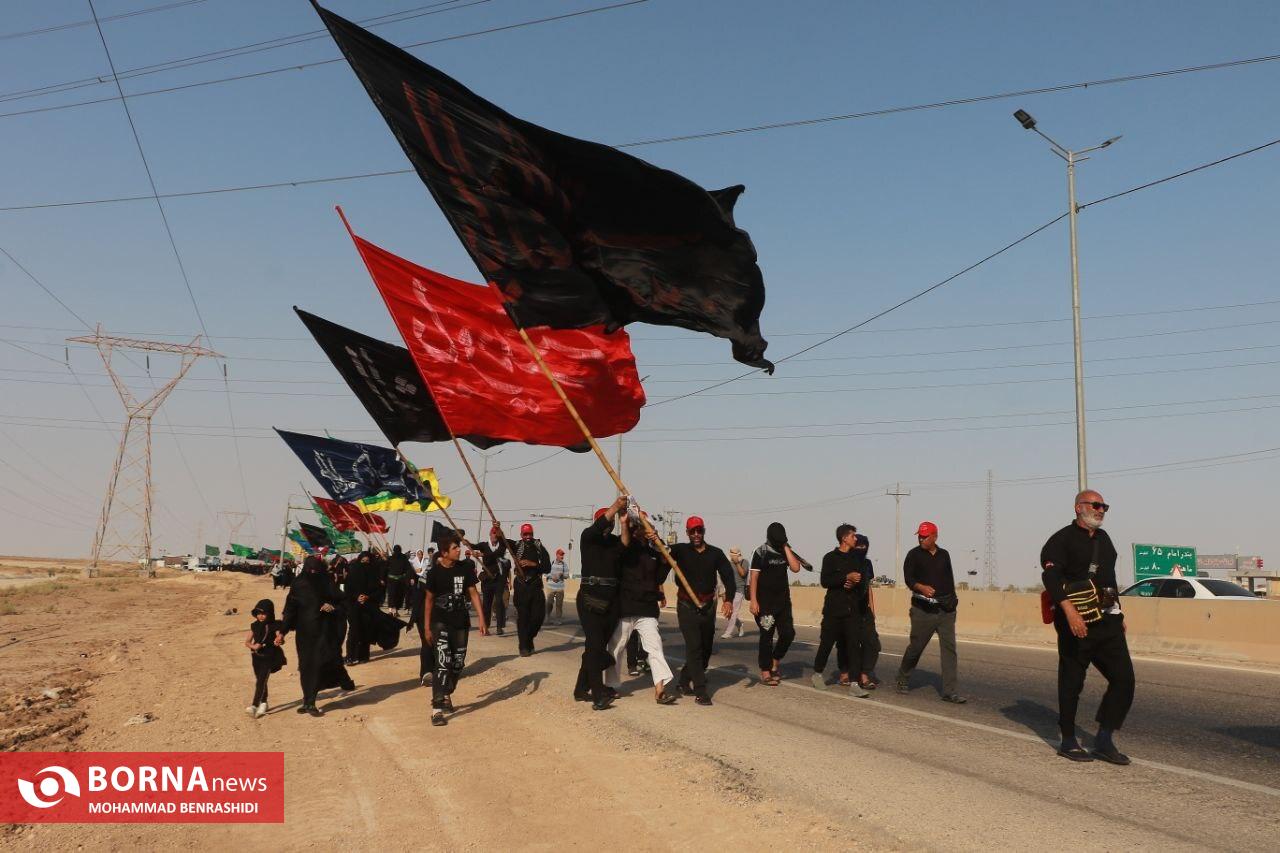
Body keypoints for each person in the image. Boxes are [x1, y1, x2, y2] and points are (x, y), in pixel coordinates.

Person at [1041, 490, 1134, 764]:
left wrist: (1117, 612)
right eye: (1095, 505)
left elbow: (1108, 579)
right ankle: (1068, 740)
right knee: (1072, 681)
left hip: (1106, 621)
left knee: (1124, 679)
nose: (1100, 510)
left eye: (1104, 506)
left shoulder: (1104, 540)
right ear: (1078, 507)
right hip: (1075, 622)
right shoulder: (1061, 540)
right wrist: (1070, 612)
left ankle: (1104, 738)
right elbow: (1051, 578)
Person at [604, 513, 679, 705]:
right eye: (638, 526)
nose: (641, 530)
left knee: (655, 647)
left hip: (647, 608)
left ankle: (660, 689)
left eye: (644, 527)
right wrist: (628, 524)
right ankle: (610, 685)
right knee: (616, 647)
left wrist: (660, 546)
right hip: (626, 606)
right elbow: (621, 548)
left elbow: (660, 576)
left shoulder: (654, 550)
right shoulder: (626, 546)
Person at [668, 515, 737, 706]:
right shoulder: (680, 550)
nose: (696, 534)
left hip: (707, 606)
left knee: (705, 650)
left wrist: (729, 600)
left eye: (699, 530)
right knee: (694, 647)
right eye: (693, 531)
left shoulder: (715, 553)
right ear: (687, 533)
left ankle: (683, 681)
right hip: (686, 606)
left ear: (704, 531)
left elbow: (728, 577)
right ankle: (700, 691)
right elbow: (662, 553)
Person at [422, 535, 488, 726]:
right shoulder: (434, 573)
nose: (459, 550)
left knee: (457, 663)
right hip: (439, 622)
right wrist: (426, 627)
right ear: (444, 553)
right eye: (454, 548)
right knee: (443, 662)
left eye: (458, 547)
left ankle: (446, 693)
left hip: (460, 622)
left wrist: (482, 619)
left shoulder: (464, 568)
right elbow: (428, 600)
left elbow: (473, 593)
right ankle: (437, 710)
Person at [895, 521, 965, 703]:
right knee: (916, 647)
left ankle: (950, 691)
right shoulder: (914, 555)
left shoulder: (944, 555)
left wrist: (953, 601)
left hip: (946, 611)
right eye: (919, 536)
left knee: (949, 650)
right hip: (923, 610)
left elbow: (949, 579)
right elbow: (909, 579)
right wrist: (921, 587)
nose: (921, 539)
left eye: (925, 536)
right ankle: (903, 677)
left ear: (935, 536)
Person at [278, 556, 355, 716]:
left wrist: (332, 607)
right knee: (306, 666)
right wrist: (282, 631)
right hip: (305, 634)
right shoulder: (298, 584)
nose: (313, 573)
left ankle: (311, 701)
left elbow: (344, 602)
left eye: (316, 570)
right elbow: (290, 609)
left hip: (325, 632)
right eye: (310, 570)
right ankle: (308, 700)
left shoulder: (327, 583)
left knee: (320, 664)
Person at [574, 496, 628, 710]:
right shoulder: (588, 538)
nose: (609, 525)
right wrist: (616, 506)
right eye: (606, 521)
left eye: (611, 523)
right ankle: (598, 695)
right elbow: (599, 525)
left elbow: (625, 545)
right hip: (589, 598)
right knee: (596, 647)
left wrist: (623, 522)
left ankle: (580, 689)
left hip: (611, 601)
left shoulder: (614, 542)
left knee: (594, 648)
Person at [812, 524, 871, 698]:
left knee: (853, 646)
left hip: (852, 609)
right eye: (853, 536)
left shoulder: (856, 559)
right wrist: (845, 577)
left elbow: (862, 582)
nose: (856, 539)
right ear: (844, 538)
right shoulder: (830, 558)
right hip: (833, 609)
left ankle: (854, 683)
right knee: (827, 643)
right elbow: (825, 581)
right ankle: (817, 674)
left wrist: (854, 583)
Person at [749, 522, 804, 686]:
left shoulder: (785, 551)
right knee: (766, 636)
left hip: (783, 603)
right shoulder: (761, 552)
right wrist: (753, 601)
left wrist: (785, 546)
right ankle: (766, 671)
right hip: (765, 604)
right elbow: (754, 578)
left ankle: (775, 660)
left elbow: (796, 568)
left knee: (788, 634)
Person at [511, 523, 551, 656]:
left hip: (535, 585)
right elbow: (502, 542)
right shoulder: (516, 546)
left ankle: (528, 639)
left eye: (530, 534)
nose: (528, 536)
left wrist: (533, 564)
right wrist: (498, 532)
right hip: (521, 585)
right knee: (523, 617)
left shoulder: (539, 547)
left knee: (538, 617)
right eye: (525, 534)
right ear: (521, 535)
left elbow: (547, 567)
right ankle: (523, 646)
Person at [244, 598, 285, 718]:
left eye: (263, 613)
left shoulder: (275, 625)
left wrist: (279, 640)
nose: (261, 616)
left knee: (261, 680)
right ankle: (264, 703)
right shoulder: (254, 626)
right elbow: (247, 641)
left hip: (269, 656)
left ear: (270, 613)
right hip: (256, 657)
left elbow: (279, 637)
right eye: (258, 613)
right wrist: (253, 646)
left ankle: (254, 705)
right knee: (260, 680)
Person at [343, 551, 378, 665]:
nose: (365, 563)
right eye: (363, 561)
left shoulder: (374, 574)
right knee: (353, 630)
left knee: (366, 630)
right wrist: (356, 597)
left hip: (369, 606)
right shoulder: (352, 573)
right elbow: (347, 590)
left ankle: (363, 655)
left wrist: (368, 597)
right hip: (353, 605)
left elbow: (378, 591)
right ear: (359, 561)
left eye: (367, 561)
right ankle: (350, 656)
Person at [475, 527, 511, 635]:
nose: (495, 535)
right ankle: (486, 626)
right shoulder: (484, 546)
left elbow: (505, 561)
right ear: (490, 535)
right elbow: (474, 547)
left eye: (497, 534)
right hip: (487, 579)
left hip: (499, 579)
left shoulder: (502, 547)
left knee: (499, 602)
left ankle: (499, 627)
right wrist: (469, 546)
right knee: (487, 604)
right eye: (493, 533)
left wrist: (483, 555)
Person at [720, 547, 749, 639]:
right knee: (728, 612)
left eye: (736, 555)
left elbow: (743, 574)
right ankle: (739, 624)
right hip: (728, 590)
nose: (735, 557)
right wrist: (723, 591)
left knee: (734, 612)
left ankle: (728, 633)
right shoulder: (727, 563)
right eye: (733, 555)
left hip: (739, 590)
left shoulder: (744, 562)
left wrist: (737, 563)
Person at [386, 545, 412, 614]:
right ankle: (394, 611)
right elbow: (408, 569)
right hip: (399, 580)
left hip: (393, 580)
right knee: (397, 595)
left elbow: (386, 568)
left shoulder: (391, 558)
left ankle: (391, 610)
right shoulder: (403, 558)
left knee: (392, 595)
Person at [546, 548, 569, 625]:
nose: (562, 556)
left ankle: (558, 620)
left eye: (563, 555)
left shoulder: (564, 565)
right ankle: (547, 617)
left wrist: (562, 575)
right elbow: (546, 573)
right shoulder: (552, 563)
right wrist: (552, 577)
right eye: (560, 555)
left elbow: (567, 575)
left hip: (560, 588)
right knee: (549, 603)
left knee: (559, 604)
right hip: (551, 587)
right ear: (557, 555)